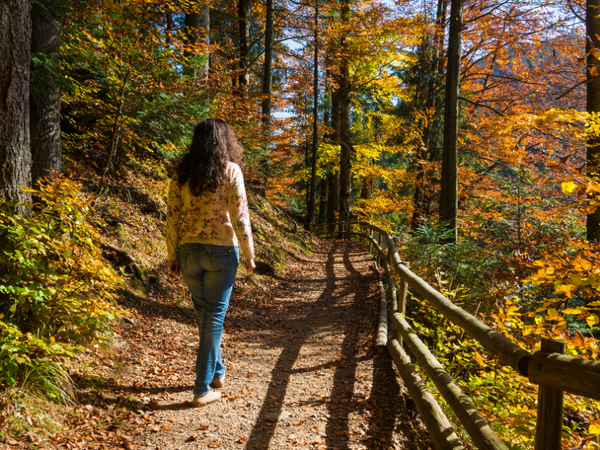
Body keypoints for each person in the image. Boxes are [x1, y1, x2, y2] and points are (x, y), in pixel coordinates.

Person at [166, 119, 255, 407]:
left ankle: (217, 372)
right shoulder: (231, 171)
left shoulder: (181, 174)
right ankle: (202, 389)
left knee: (206, 316)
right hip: (221, 253)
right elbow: (240, 215)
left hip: (189, 253)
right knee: (214, 316)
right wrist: (250, 253)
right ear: (225, 142)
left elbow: (172, 216)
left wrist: (171, 254)